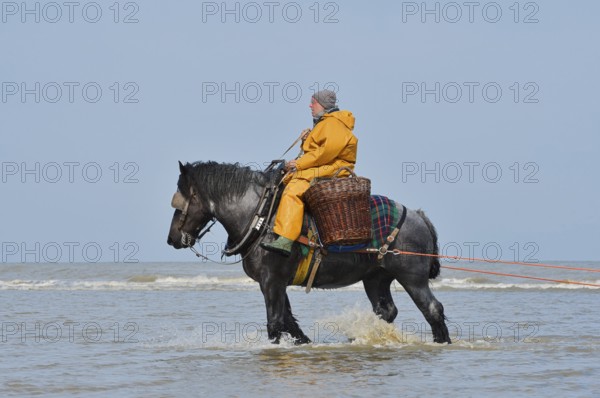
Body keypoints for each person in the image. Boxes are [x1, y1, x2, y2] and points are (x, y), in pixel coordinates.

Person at [261, 89, 358, 256]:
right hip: (323, 166)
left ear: (323, 105)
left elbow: (325, 153)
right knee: (285, 180)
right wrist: (308, 138)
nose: (310, 105)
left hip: (332, 168)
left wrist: (298, 164)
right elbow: (318, 149)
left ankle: (286, 239)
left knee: (293, 189)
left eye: (313, 102)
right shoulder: (325, 122)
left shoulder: (333, 123)